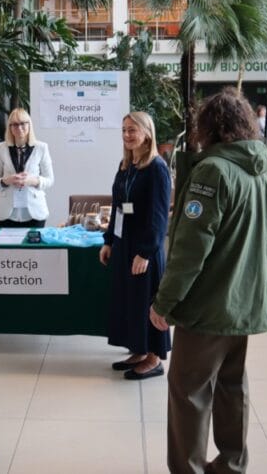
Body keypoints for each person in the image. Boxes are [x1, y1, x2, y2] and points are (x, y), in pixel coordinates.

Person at [149, 88, 267, 474]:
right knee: (231, 387)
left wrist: (164, 303)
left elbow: (190, 249)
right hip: (245, 301)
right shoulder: (256, 170)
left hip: (209, 306)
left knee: (189, 392)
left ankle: (189, 468)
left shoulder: (212, 171)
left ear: (209, 126)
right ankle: (232, 463)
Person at [99, 111, 171, 380]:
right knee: (131, 301)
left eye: (133, 130)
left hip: (144, 248)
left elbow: (159, 217)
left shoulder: (157, 169)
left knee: (148, 301)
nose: (127, 135)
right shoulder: (127, 165)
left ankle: (154, 358)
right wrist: (109, 241)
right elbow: (118, 206)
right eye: (124, 130)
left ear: (147, 133)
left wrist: (145, 252)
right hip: (124, 243)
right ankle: (140, 350)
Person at [0, 108, 54, 228]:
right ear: (10, 127)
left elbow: (50, 180)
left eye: (23, 123)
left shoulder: (41, 147)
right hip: (6, 213)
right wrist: (6, 181)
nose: (19, 128)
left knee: (33, 247)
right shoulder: (1, 148)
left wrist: (32, 180)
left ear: (29, 125)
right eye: (14, 124)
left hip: (35, 212)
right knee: (8, 247)